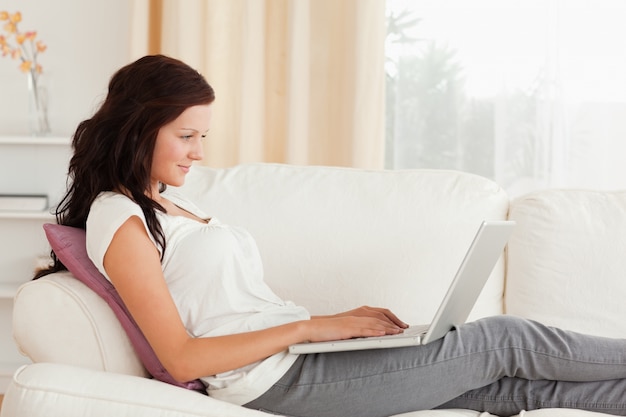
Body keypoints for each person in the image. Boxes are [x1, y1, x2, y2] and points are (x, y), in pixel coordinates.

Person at [36, 55, 626, 417]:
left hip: (301, 359)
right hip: (274, 381)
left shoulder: (171, 203)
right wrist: (314, 327)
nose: (198, 152)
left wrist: (333, 331)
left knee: (505, 386)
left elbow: (237, 309)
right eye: (186, 136)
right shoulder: (119, 217)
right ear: (140, 130)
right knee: (505, 341)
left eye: (203, 138)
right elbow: (181, 355)